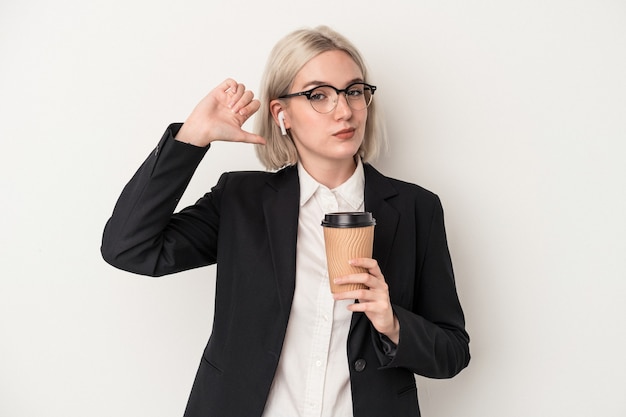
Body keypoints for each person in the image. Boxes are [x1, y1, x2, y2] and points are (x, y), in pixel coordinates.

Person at [101, 25, 470, 417]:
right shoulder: (242, 201)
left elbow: (451, 352)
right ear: (282, 114)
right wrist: (191, 138)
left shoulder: (416, 208)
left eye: (354, 91)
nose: (344, 110)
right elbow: (128, 248)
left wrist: (393, 321)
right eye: (319, 96)